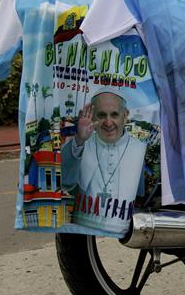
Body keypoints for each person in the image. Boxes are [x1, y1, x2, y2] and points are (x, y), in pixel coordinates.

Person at [61, 92, 146, 225]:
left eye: (114, 115)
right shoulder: (82, 143)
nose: (108, 122)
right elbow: (66, 183)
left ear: (125, 116)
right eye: (101, 115)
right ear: (93, 116)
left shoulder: (138, 149)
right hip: (85, 224)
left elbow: (140, 197)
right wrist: (79, 140)